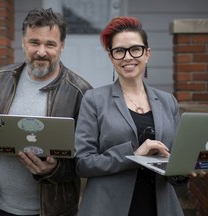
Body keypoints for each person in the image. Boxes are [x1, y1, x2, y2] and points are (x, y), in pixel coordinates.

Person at [0, 8, 92, 216]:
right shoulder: (0, 79)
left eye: (50, 44)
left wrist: (54, 170)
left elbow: (86, 157)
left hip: (52, 211)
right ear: (23, 43)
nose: (41, 51)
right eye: (34, 42)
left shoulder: (81, 92)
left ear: (62, 46)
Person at [75, 16, 199, 216]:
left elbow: (172, 161)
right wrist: (134, 155)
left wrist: (182, 170)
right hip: (108, 206)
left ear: (147, 53)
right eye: (119, 51)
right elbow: (83, 163)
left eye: (135, 49)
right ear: (111, 56)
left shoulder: (168, 101)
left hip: (159, 206)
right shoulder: (94, 100)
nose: (127, 57)